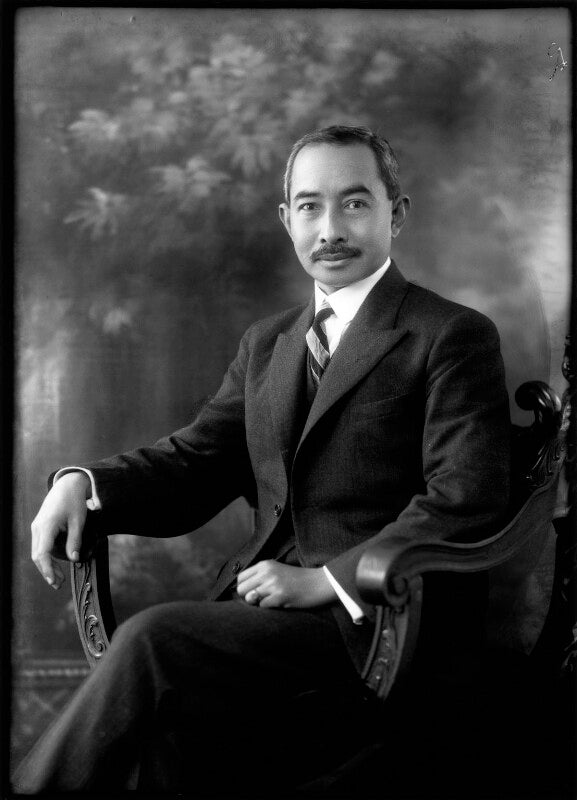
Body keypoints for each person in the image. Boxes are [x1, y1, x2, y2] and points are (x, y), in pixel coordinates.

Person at [14, 125, 511, 794]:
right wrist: (85, 484)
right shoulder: (269, 342)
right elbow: (196, 463)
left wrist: (327, 581)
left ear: (395, 213)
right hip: (262, 617)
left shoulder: (450, 334)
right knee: (163, 736)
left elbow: (465, 496)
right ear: (286, 220)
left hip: (382, 624)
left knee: (154, 641)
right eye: (309, 206)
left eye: (354, 203)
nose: (329, 229)